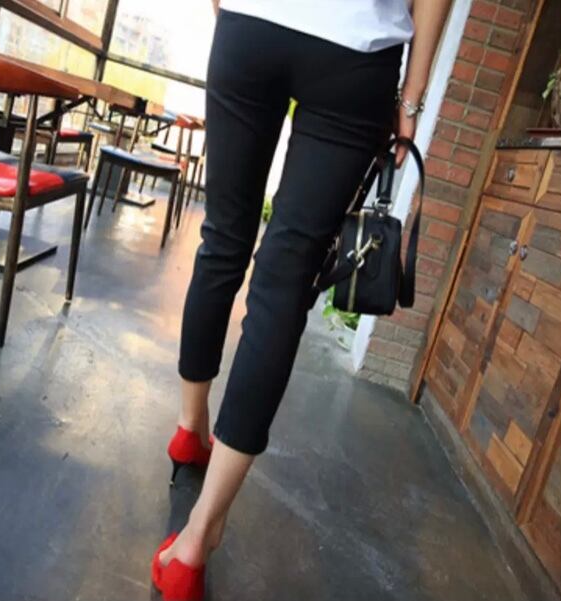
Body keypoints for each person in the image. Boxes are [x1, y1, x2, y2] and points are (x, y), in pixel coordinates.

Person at [152, 1, 452, 599]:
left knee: (222, 241)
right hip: (356, 51)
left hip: (253, 24)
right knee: (284, 283)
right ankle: (197, 540)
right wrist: (412, 99)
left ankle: (190, 428)